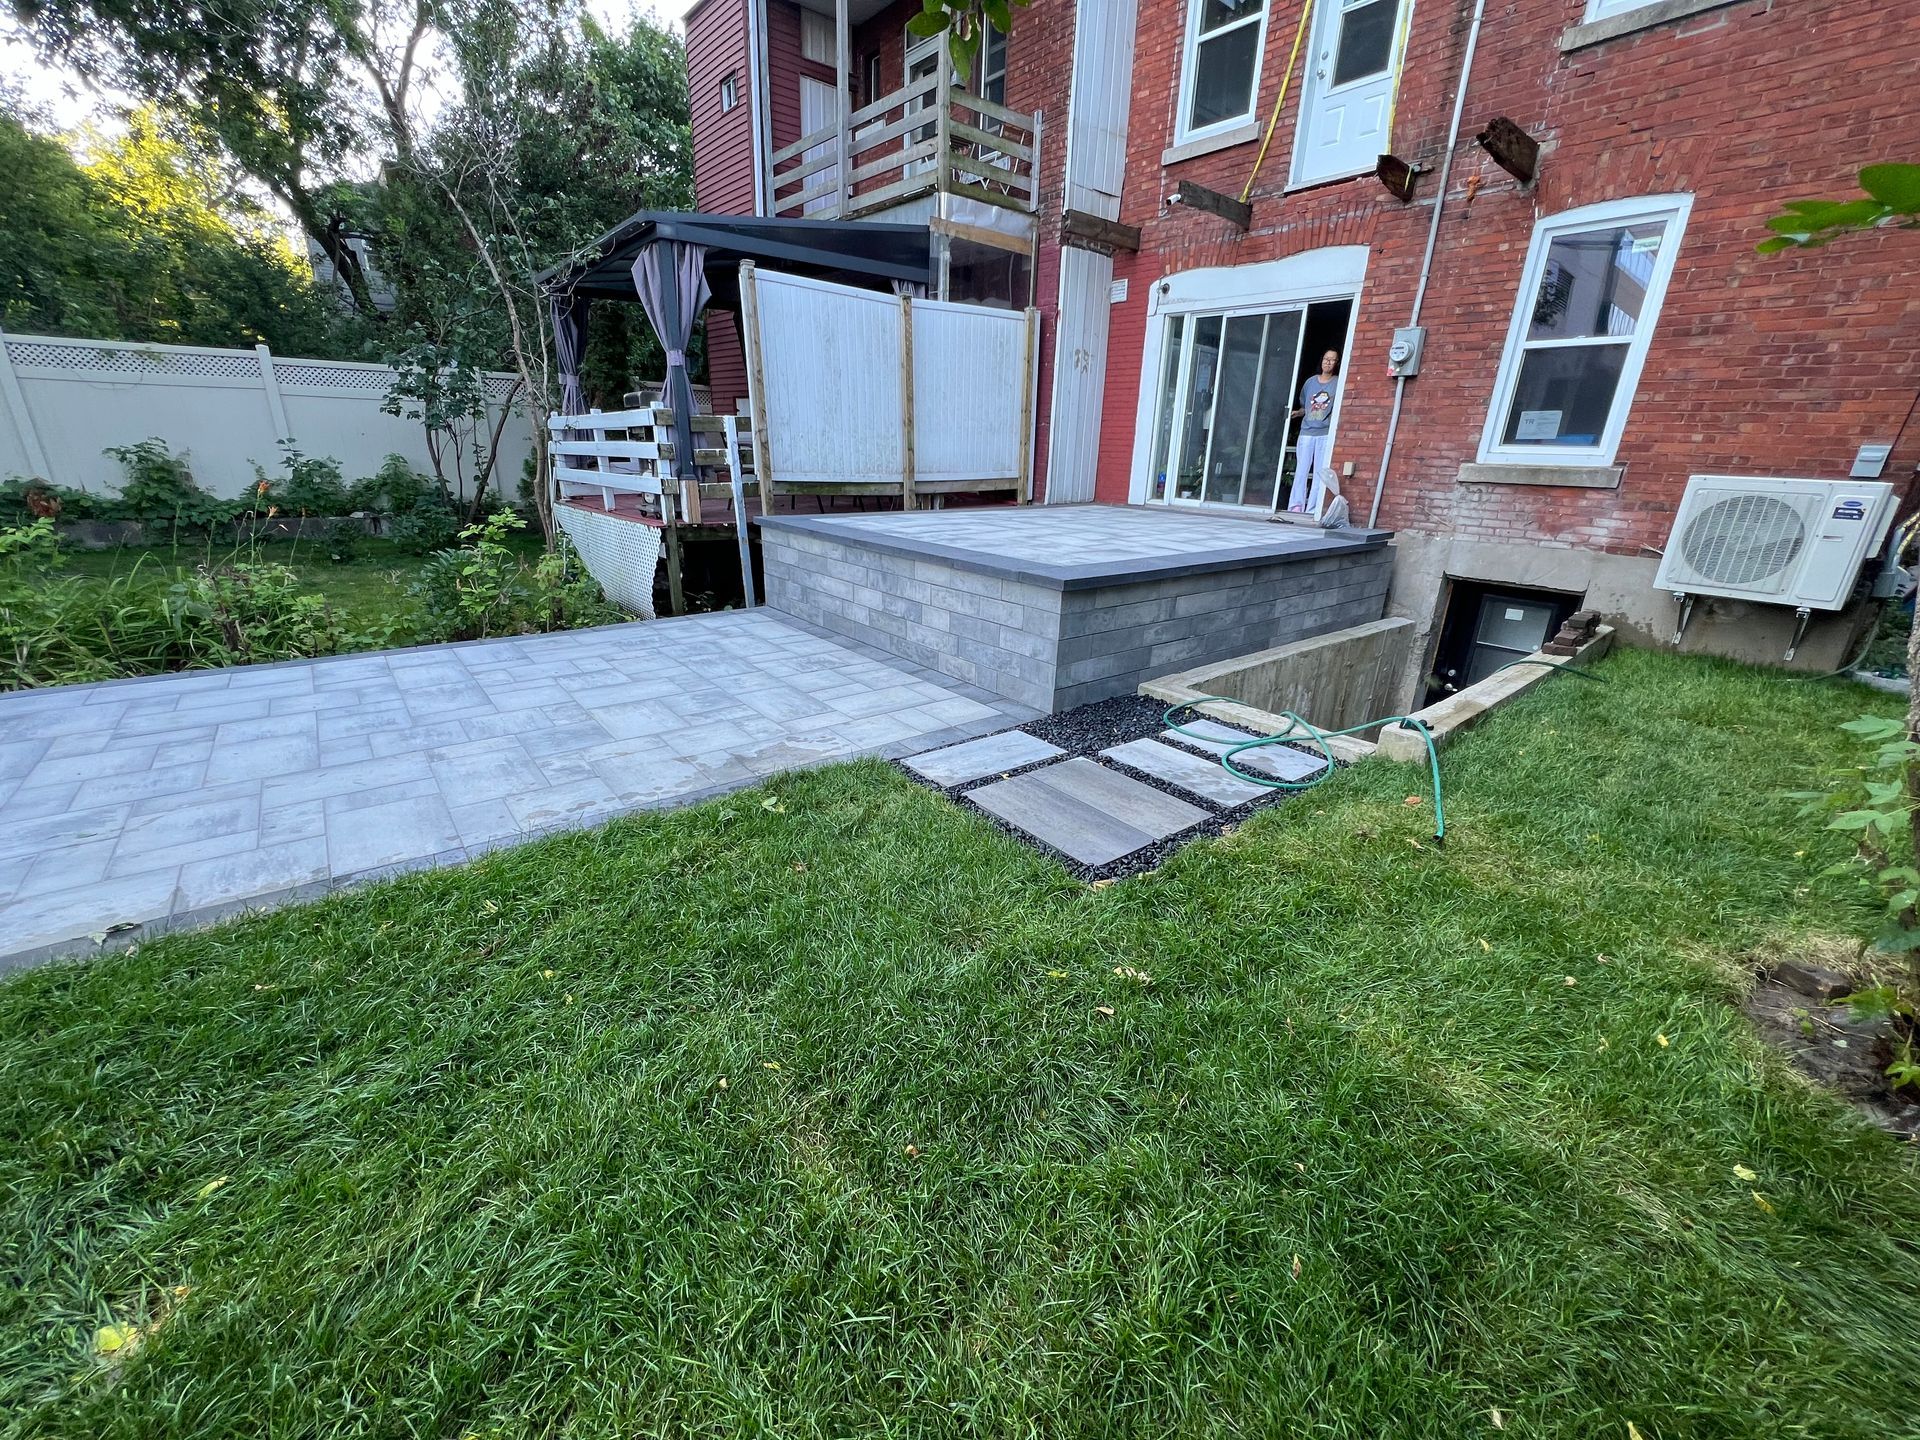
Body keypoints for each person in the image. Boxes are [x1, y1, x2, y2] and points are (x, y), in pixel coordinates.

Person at [1287, 349, 1340, 515]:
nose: (1328, 362)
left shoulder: (1338, 382)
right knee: (1301, 470)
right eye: (1326, 359)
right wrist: (1297, 413)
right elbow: (1306, 407)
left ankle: (1313, 509)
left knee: (1319, 472)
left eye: (1332, 360)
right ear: (1321, 361)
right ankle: (1296, 506)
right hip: (1306, 432)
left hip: (1324, 433)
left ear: (1337, 363)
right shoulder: (1310, 382)